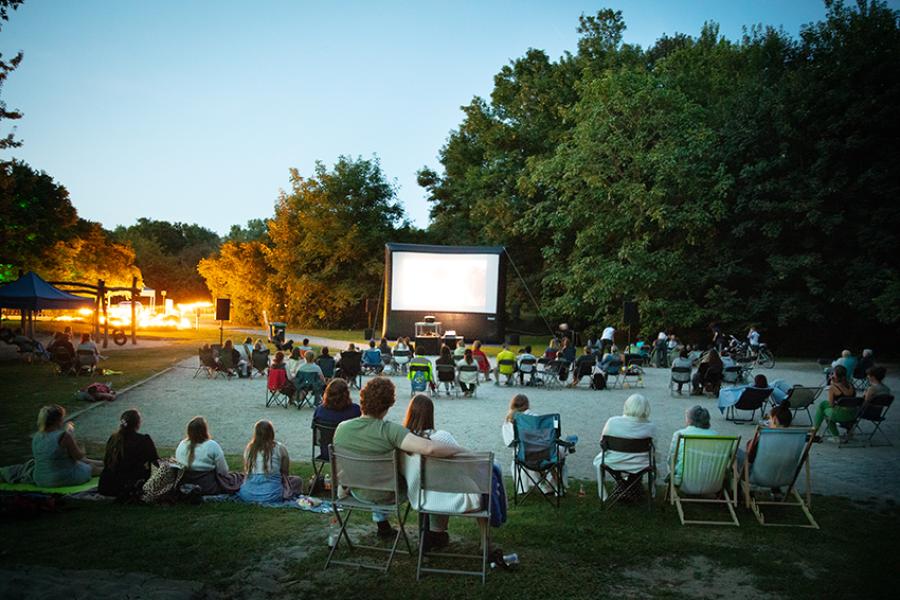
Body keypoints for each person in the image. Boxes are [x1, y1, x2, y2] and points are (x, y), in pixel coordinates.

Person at [332, 378, 462, 538]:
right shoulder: (391, 431)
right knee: (426, 473)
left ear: (362, 399)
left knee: (374, 473)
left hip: (357, 490)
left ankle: (383, 525)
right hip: (388, 494)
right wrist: (459, 449)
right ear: (388, 405)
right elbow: (430, 448)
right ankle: (433, 533)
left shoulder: (342, 428)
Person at [401, 394, 482, 550]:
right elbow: (465, 462)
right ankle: (486, 545)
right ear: (431, 414)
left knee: (436, 483)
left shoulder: (405, 440)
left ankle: (435, 534)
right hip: (448, 496)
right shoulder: (441, 437)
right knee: (472, 484)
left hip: (419, 496)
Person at [592, 394, 656, 497]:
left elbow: (602, 443)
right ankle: (632, 487)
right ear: (646, 408)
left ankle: (616, 487)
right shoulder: (650, 427)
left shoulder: (612, 422)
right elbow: (654, 449)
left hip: (614, 461)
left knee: (600, 459)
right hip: (641, 464)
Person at [32, 405, 103, 487]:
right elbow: (79, 456)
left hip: (40, 479)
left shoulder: (37, 436)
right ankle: (114, 470)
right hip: (61, 478)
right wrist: (80, 445)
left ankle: (103, 463)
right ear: (57, 420)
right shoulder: (64, 436)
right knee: (92, 468)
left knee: (82, 464)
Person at [98, 409, 159, 499]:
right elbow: (155, 462)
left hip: (106, 485)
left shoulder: (113, 438)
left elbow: (107, 461)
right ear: (138, 423)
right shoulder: (143, 440)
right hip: (127, 485)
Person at [237, 420, 302, 503]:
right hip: (272, 495)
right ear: (271, 433)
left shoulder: (249, 448)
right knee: (297, 481)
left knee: (239, 477)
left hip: (247, 495)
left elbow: (247, 470)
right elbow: (285, 472)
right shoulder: (279, 448)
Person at [174, 417, 242, 495]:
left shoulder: (182, 444)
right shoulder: (212, 445)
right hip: (207, 486)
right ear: (204, 430)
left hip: (184, 484)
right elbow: (223, 471)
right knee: (238, 478)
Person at [313, 378, 362, 459]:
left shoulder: (320, 411)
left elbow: (316, 431)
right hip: (349, 453)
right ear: (347, 394)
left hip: (327, 453)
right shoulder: (355, 410)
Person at [668, 405, 718, 483]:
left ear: (690, 421)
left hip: (684, 480)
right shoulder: (715, 436)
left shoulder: (679, 434)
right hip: (711, 479)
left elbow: (671, 460)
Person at [813, 365, 857, 441]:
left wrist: (831, 383)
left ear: (836, 375)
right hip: (853, 414)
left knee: (824, 411)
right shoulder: (851, 385)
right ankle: (814, 430)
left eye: (833, 373)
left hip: (841, 414)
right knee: (823, 404)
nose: (832, 375)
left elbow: (831, 404)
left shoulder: (833, 388)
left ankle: (817, 432)